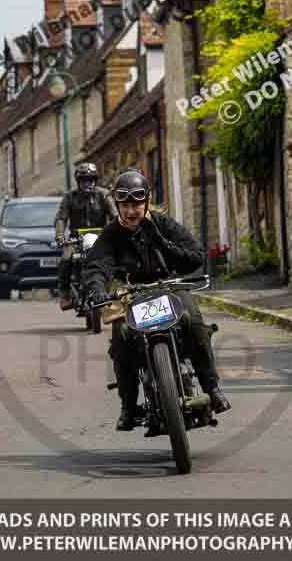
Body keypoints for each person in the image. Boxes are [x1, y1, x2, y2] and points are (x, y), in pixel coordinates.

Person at [83, 169, 231, 431]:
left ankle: (212, 388)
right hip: (132, 293)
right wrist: (96, 290)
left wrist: (160, 241)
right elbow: (97, 266)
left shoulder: (163, 224)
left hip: (170, 287)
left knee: (195, 322)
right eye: (125, 205)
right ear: (117, 205)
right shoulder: (110, 234)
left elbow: (195, 255)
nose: (131, 211)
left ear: (147, 202)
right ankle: (128, 407)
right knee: (121, 338)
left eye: (136, 204)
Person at [55, 162, 117, 310]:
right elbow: (61, 218)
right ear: (78, 182)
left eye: (91, 179)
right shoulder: (69, 197)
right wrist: (59, 235)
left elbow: (114, 215)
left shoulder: (104, 194)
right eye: (84, 180)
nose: (87, 183)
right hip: (76, 239)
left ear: (95, 180)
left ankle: (117, 291)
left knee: (115, 258)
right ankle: (64, 295)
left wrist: (117, 231)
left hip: (100, 237)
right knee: (65, 259)